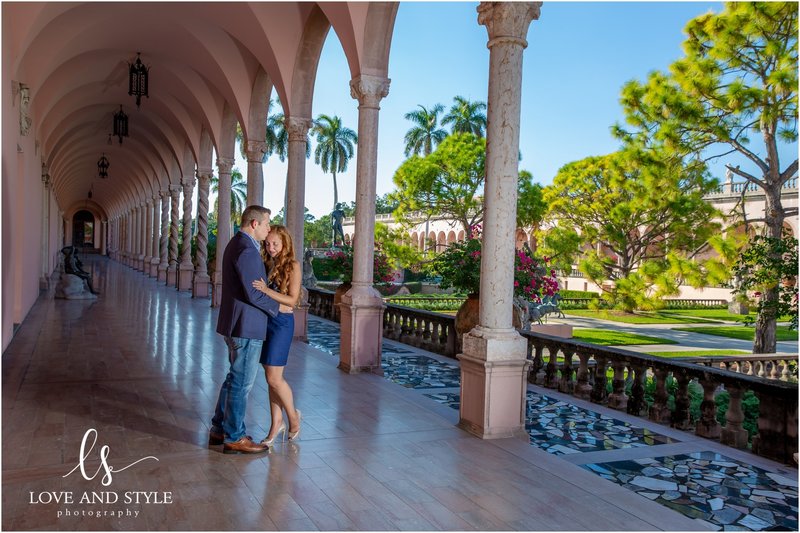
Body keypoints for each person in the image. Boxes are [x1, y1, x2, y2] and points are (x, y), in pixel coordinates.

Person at [210, 205, 279, 454]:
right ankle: (234, 436)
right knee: (242, 383)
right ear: (254, 223)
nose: (269, 228)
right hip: (246, 325)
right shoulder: (247, 250)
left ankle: (219, 428)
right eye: (267, 224)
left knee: (233, 378)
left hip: (235, 322)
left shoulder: (236, 244)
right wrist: (277, 307)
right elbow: (254, 292)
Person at [252, 225, 303, 445]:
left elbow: (292, 301)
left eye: (275, 244)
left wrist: (266, 291)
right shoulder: (266, 263)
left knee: (274, 378)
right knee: (270, 378)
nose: (271, 248)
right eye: (268, 243)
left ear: (285, 244)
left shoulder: (293, 265)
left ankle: (294, 418)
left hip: (282, 324)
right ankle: (276, 423)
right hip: (266, 321)